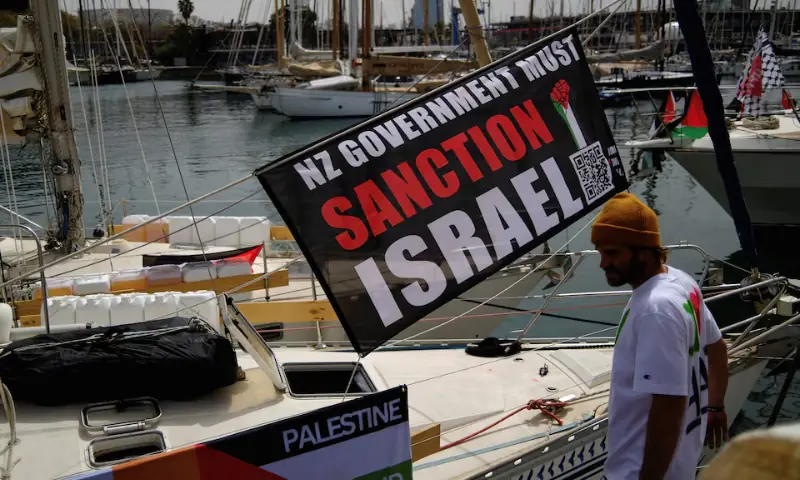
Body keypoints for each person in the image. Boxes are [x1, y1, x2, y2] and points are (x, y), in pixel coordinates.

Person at [592, 193, 729, 480]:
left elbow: (669, 405)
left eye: (612, 253)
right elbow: (717, 348)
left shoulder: (655, 310)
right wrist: (715, 405)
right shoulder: (681, 283)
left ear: (644, 251)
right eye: (600, 252)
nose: (603, 263)